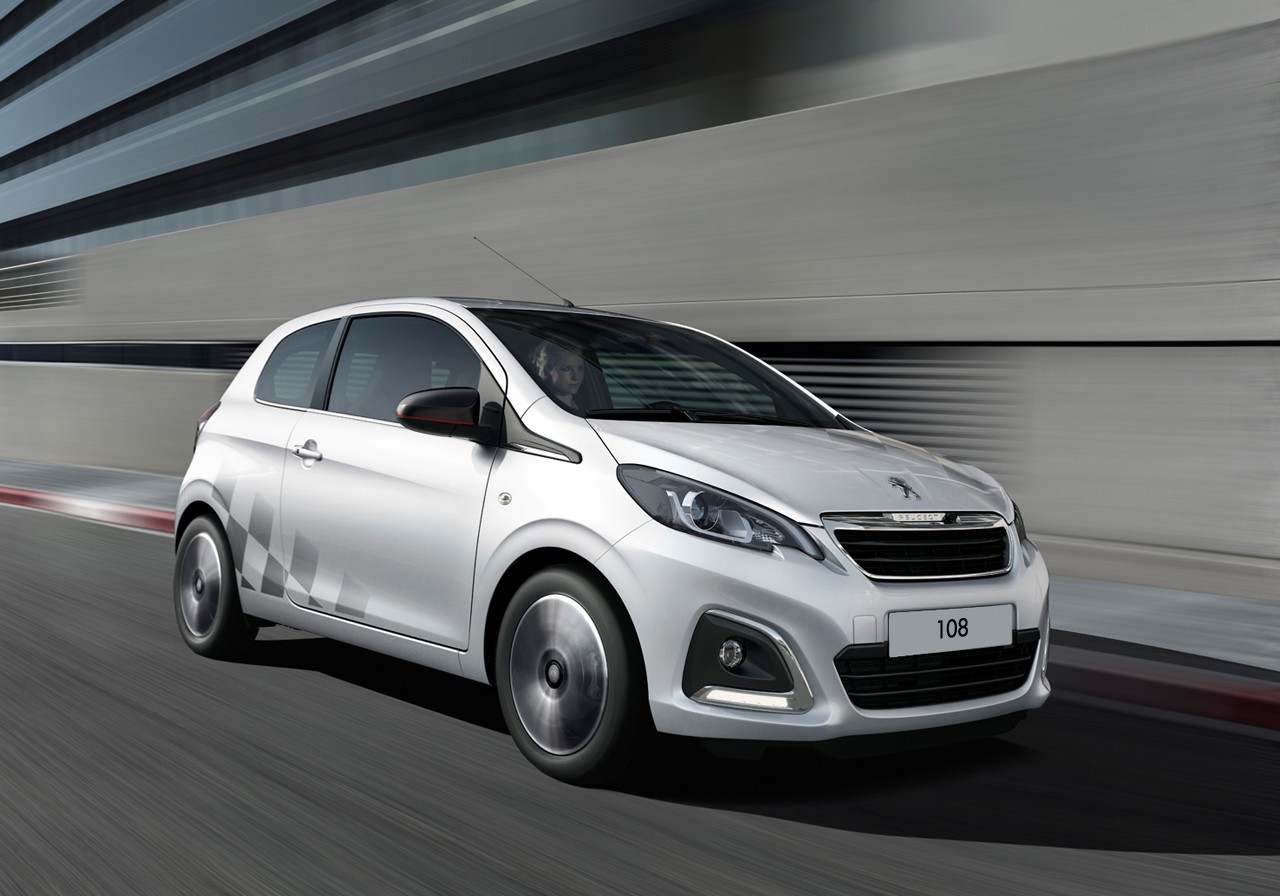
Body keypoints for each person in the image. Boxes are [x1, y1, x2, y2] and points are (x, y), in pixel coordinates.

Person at [532, 339, 586, 409]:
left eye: (580, 368)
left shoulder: (582, 404)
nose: (576, 377)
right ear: (548, 370)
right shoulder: (542, 407)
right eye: (567, 369)